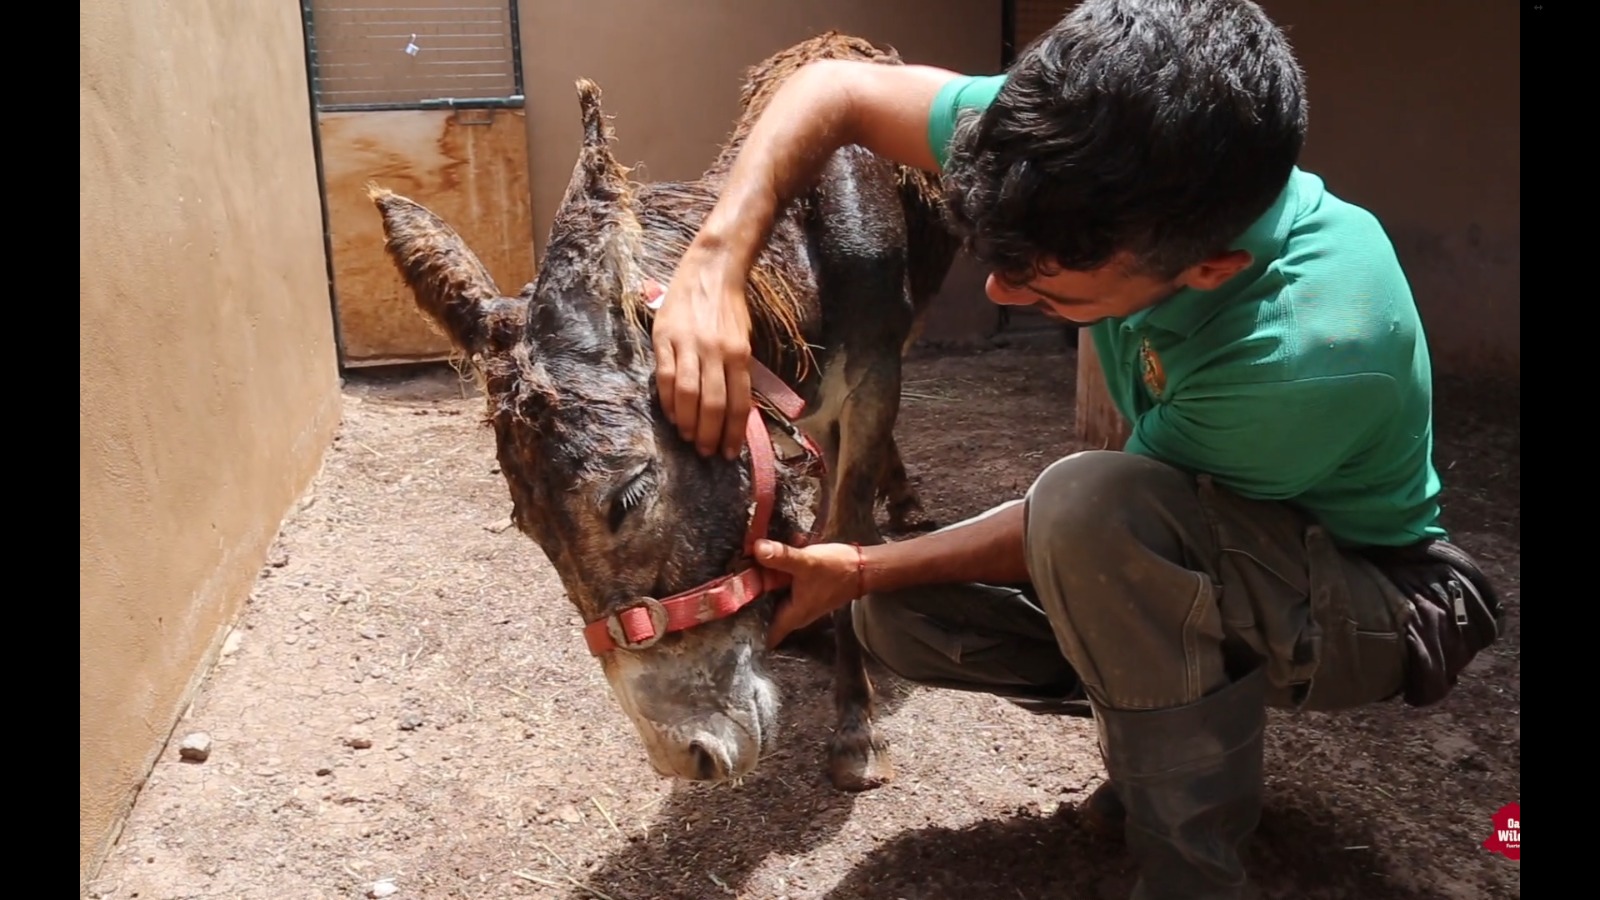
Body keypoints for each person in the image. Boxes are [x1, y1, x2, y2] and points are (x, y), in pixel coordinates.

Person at [649, 1, 1506, 897]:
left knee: (1086, 511)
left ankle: (1191, 872)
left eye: (1039, 275)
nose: (997, 288)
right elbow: (833, 86)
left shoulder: (1308, 345)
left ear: (1209, 268)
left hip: (1378, 598)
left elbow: (1094, 528)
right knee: (909, 611)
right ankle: (1153, 762)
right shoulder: (1076, 151)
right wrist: (715, 262)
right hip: (1215, 550)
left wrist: (862, 564)